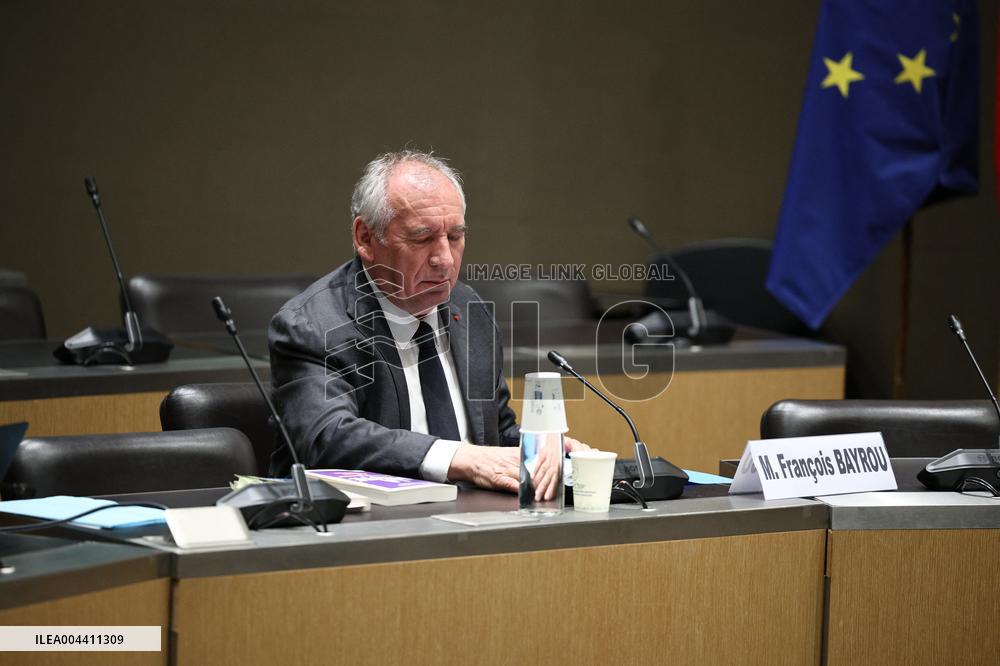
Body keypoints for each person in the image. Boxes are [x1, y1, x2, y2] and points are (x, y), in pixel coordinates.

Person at [269, 149, 586, 496]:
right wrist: (457, 457)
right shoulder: (312, 326)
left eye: (455, 237)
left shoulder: (470, 310)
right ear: (365, 238)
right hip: (370, 522)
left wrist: (539, 449)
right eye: (422, 238)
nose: (444, 259)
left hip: (477, 517)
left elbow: (492, 433)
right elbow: (328, 437)